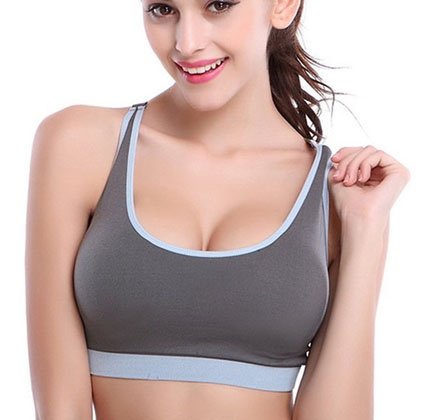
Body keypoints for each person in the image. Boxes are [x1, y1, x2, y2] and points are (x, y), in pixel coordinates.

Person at [24, 0, 411, 419]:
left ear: (282, 6)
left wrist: (365, 229)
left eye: (219, 5)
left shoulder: (337, 195)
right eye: (162, 9)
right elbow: (61, 409)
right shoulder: (79, 145)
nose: (186, 43)